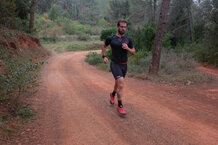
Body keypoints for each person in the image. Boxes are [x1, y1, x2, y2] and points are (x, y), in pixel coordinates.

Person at [102, 20, 135, 115]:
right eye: (121, 27)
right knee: (121, 83)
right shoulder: (111, 38)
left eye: (125, 27)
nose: (123, 28)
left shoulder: (128, 39)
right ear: (117, 27)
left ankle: (113, 94)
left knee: (118, 83)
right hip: (115, 64)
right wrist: (104, 57)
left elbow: (133, 52)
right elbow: (104, 46)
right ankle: (120, 105)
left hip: (124, 64)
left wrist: (128, 48)